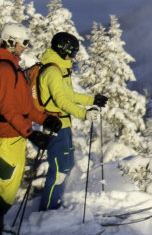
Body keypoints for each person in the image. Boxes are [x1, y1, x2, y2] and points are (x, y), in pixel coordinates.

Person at [0, 23, 60, 235]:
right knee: (5, 188)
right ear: (11, 42)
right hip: (8, 137)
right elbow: (8, 110)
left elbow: (24, 107)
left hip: (16, 136)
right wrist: (31, 133)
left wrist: (45, 119)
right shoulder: (4, 70)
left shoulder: (14, 68)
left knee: (10, 186)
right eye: (24, 42)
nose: (26, 47)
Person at [34, 31, 108, 212]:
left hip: (64, 125)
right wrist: (84, 114)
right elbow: (61, 101)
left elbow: (69, 95)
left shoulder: (61, 69)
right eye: (73, 52)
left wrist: (92, 101)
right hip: (54, 125)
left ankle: (53, 205)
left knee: (66, 165)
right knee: (59, 169)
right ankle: (48, 210)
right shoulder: (53, 71)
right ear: (63, 50)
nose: (74, 56)